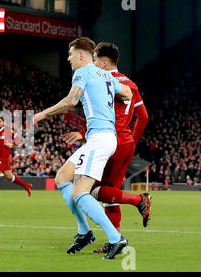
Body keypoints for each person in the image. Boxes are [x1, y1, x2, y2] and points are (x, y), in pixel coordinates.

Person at [34, 37, 133, 259]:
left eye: (70, 54)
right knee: (62, 178)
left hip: (99, 139)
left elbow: (71, 101)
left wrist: (40, 114)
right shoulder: (106, 74)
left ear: (81, 54)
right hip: (104, 137)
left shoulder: (84, 72)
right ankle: (84, 231)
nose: (68, 59)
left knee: (80, 191)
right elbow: (127, 93)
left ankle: (117, 238)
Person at [61, 42, 151, 253]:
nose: (91, 64)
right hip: (126, 142)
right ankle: (114, 240)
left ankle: (138, 200)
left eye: (94, 60)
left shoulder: (102, 79)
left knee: (85, 190)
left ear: (101, 62)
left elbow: (101, 111)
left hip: (110, 139)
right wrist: (133, 141)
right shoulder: (130, 84)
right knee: (109, 194)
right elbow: (143, 117)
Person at [0, 117, 32, 205]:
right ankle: (26, 186)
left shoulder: (8, 131)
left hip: (4, 157)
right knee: (9, 177)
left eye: (0, 121)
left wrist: (12, 144)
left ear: (3, 122)